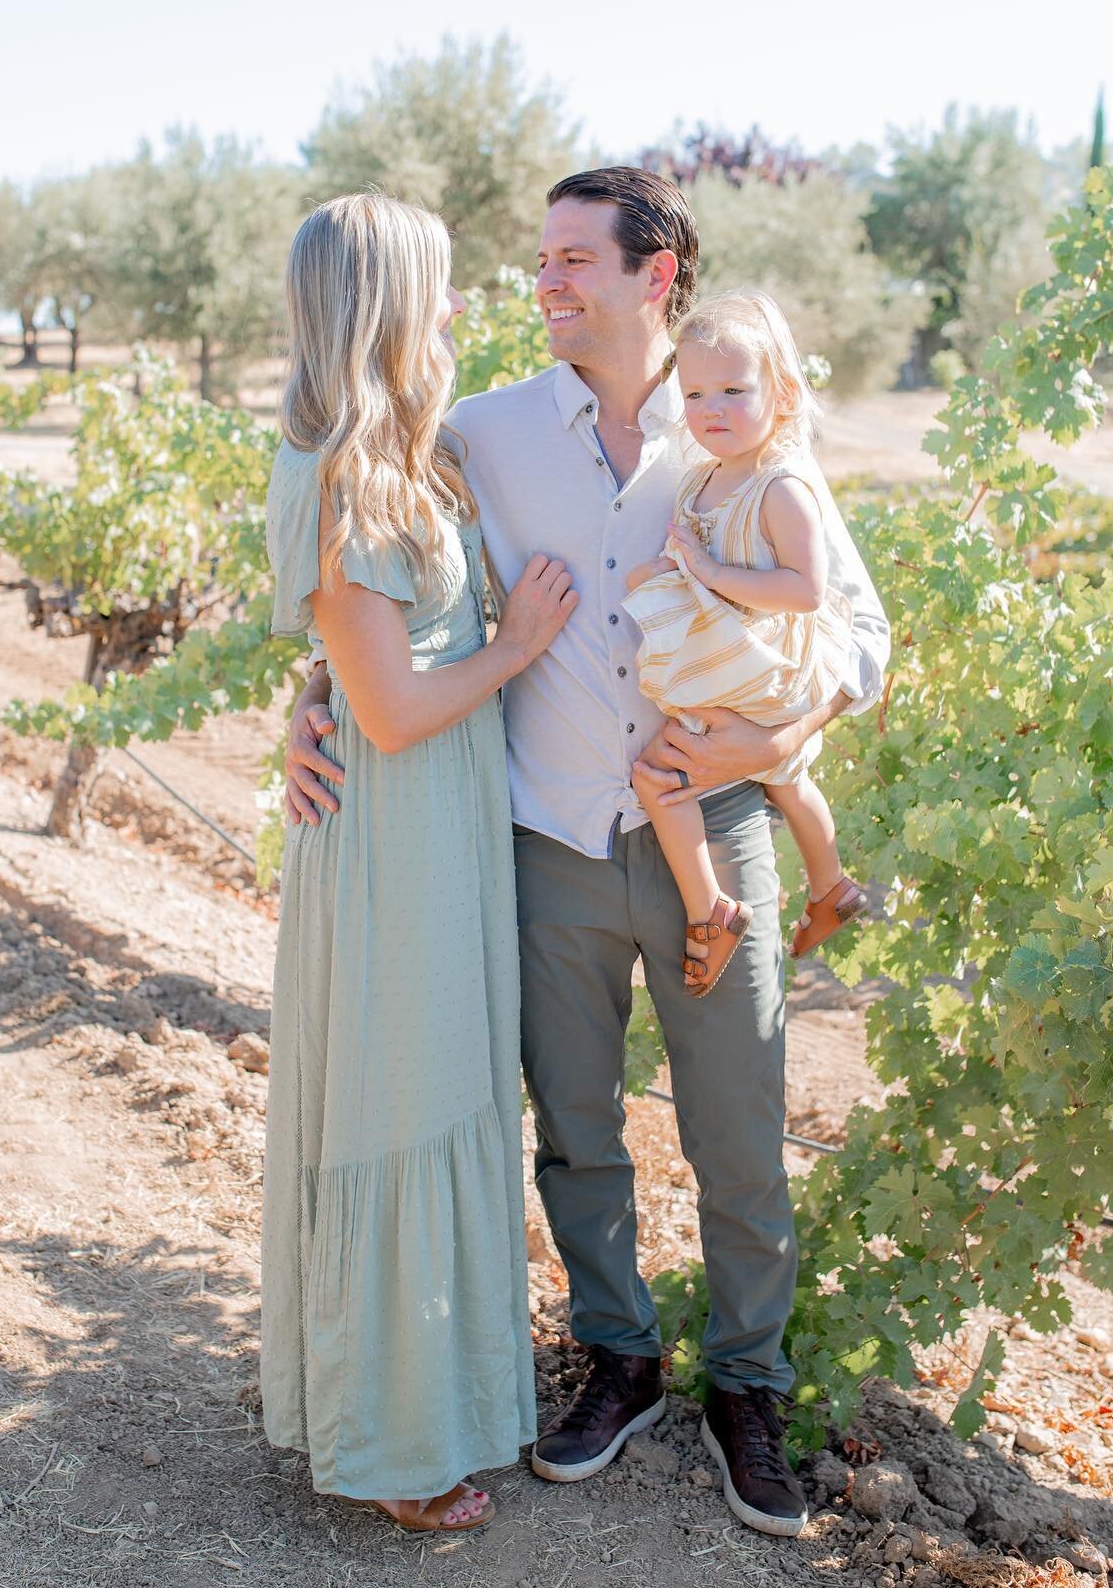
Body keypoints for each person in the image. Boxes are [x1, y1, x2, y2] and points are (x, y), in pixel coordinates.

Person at [283, 168, 890, 1540]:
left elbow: (860, 635)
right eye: (538, 260)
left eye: (571, 260)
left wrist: (762, 741)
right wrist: (308, 715)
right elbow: (370, 582)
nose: (544, 281)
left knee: (741, 1135)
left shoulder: (737, 422)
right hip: (544, 840)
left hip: (713, 842)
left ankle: (749, 1384)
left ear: (653, 276)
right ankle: (618, 1361)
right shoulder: (479, 433)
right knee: (574, 1131)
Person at [259, 192, 578, 1534]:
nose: (454, 310)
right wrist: (516, 647)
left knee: (444, 1098)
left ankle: (423, 1405)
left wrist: (309, 692)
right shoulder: (341, 471)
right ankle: (390, 1446)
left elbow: (355, 673)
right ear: (387, 303)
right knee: (399, 1113)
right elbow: (386, 710)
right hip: (395, 845)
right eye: (437, 289)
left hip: (436, 833)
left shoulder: (406, 457)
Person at [622, 289, 867, 995]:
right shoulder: (702, 477)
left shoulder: (781, 486)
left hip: (765, 665)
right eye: (695, 393)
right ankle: (830, 885)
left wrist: (707, 571)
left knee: (658, 778)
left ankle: (712, 910)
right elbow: (694, 558)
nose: (712, 410)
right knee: (787, 775)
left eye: (734, 390)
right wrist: (670, 570)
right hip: (747, 659)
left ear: (783, 395)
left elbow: (806, 590)